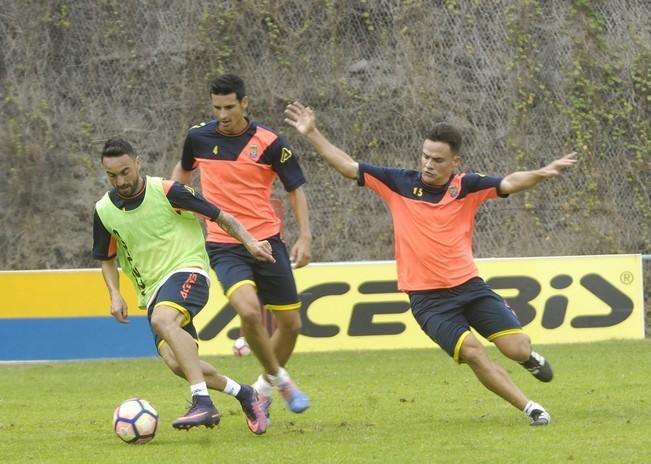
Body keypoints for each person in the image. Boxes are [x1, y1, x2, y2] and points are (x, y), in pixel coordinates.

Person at [284, 101, 578, 426]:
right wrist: (312, 133)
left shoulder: (467, 186)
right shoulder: (398, 182)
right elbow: (348, 166)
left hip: (470, 287)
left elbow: (509, 182)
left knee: (516, 348)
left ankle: (529, 358)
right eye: (425, 156)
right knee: (473, 353)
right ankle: (531, 409)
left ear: (455, 161)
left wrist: (541, 173)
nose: (428, 164)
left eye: (437, 160)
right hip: (428, 301)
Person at [93, 137, 272, 434]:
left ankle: (202, 401)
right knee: (178, 363)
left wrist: (250, 242)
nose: (120, 181)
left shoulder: (166, 191)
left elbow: (221, 215)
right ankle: (246, 394)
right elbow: (106, 258)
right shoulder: (103, 210)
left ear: (138, 163)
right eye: (112, 175)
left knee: (165, 320)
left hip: (188, 271)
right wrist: (115, 294)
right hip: (152, 293)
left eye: (125, 172)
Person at [171, 74, 311, 420]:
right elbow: (183, 173)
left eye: (229, 106)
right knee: (249, 311)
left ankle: (262, 391)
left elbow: (295, 189)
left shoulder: (270, 142)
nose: (222, 114)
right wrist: (173, 199)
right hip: (225, 244)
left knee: (291, 325)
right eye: (216, 107)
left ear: (245, 104)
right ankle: (282, 380)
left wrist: (305, 236)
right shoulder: (198, 137)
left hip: (268, 243)